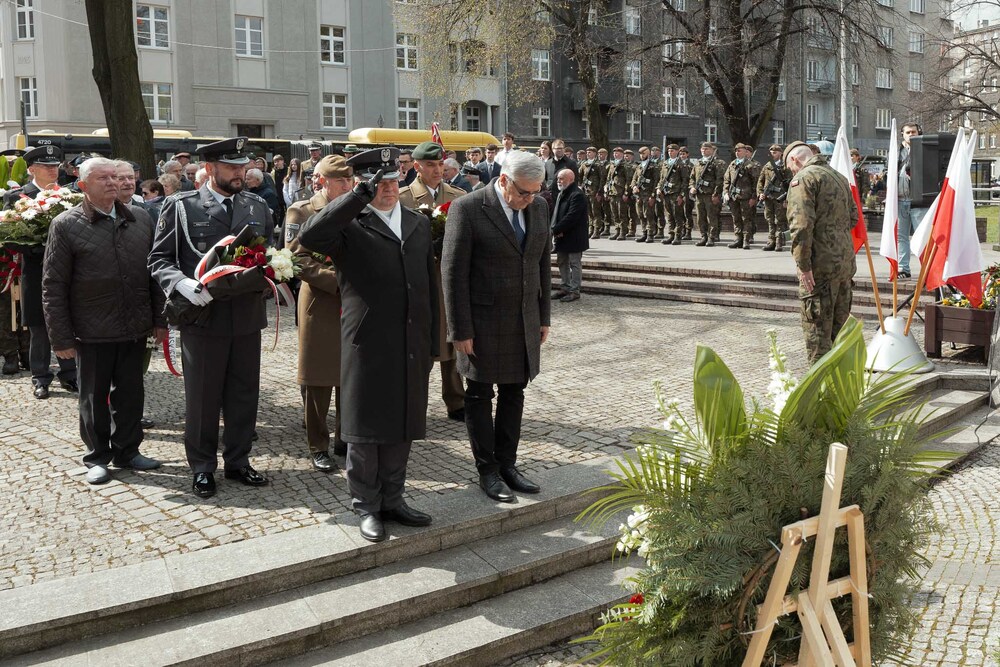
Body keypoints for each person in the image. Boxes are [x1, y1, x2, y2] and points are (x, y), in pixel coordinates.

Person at [298, 147, 438, 543]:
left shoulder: (417, 223)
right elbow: (310, 236)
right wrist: (357, 197)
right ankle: (366, 506)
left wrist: (432, 340)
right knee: (364, 430)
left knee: (402, 426)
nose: (389, 189)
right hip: (366, 341)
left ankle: (393, 499)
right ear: (363, 185)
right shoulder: (348, 225)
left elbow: (428, 284)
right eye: (380, 183)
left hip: (411, 338)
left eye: (393, 180)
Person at [148, 137, 274, 499]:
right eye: (232, 166)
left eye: (243, 166)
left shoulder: (256, 205)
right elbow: (159, 260)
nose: (241, 172)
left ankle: (238, 460)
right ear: (210, 168)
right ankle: (202, 466)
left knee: (244, 393)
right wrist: (181, 283)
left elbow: (263, 254)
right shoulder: (182, 206)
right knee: (203, 397)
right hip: (203, 317)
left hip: (246, 316)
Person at [42, 157, 167, 485]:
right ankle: (97, 457)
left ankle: (129, 450)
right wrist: (61, 338)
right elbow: (53, 286)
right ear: (83, 186)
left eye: (115, 176)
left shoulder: (141, 218)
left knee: (131, 393)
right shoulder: (66, 225)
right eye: (103, 178)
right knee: (94, 397)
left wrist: (160, 319)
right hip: (92, 329)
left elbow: (155, 274)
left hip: (134, 326)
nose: (113, 182)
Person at [441, 151, 552, 503]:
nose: (529, 199)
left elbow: (542, 264)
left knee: (514, 393)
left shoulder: (538, 208)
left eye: (535, 192)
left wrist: (544, 315)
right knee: (478, 395)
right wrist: (460, 329)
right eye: (524, 192)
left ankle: (508, 464)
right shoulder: (468, 209)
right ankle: (486, 471)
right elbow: (453, 273)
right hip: (481, 322)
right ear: (503, 180)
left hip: (524, 319)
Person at [284, 155, 354, 472]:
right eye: (341, 181)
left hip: (353, 303)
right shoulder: (302, 211)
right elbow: (293, 261)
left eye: (350, 180)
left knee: (349, 375)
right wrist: (338, 280)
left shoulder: (356, 209)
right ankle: (318, 445)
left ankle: (346, 438)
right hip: (320, 303)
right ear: (323, 181)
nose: (348, 186)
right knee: (318, 378)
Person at [398, 141, 468, 422]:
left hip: (450, 280)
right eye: (430, 165)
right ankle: (415, 402)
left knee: (452, 339)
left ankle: (456, 400)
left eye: (441, 164)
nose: (438, 170)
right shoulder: (403, 198)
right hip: (418, 281)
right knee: (420, 342)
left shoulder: (459, 195)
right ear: (417, 166)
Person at [3, 145, 78, 399]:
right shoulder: (18, 198)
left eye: (55, 166)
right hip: (35, 270)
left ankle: (70, 373)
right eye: (46, 167)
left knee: (67, 319)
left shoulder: (70, 195)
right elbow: (8, 239)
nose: (52, 171)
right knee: (38, 324)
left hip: (69, 270)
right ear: (32, 169)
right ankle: (40, 376)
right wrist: (38, 247)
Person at [784, 141, 857, 363]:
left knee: (818, 339)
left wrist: (804, 266)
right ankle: (842, 389)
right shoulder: (839, 177)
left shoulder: (804, 179)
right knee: (840, 334)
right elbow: (853, 218)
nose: (792, 172)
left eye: (790, 168)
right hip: (843, 266)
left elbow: (801, 226)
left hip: (820, 269)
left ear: (794, 160)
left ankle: (820, 391)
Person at [551, 169, 589, 302]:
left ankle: (574, 290)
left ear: (570, 179)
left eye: (561, 178)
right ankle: (565, 287)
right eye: (557, 179)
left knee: (574, 263)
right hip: (562, 235)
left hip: (574, 236)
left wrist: (556, 229)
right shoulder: (563, 192)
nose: (558, 181)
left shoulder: (577, 194)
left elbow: (572, 217)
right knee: (562, 261)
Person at [896, 123, 926, 280]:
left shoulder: (924, 149)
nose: (911, 134)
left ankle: (926, 269)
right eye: (908, 132)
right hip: (900, 200)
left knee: (922, 235)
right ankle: (903, 268)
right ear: (902, 134)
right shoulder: (896, 151)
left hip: (917, 201)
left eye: (914, 131)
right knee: (901, 236)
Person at [723, 143, 761, 249]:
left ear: (745, 152)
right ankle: (738, 239)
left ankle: (746, 240)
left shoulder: (751, 165)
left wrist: (754, 197)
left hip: (746, 196)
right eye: (736, 150)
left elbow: (756, 182)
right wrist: (726, 192)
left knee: (746, 219)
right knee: (736, 218)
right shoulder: (732, 164)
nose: (737, 152)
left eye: (739, 150)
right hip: (734, 196)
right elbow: (727, 179)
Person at [688, 142, 726, 247]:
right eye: (703, 149)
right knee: (701, 217)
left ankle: (711, 237)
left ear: (712, 150)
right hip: (699, 194)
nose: (704, 151)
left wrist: (716, 194)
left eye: (707, 149)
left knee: (712, 217)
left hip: (710, 194)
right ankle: (703, 236)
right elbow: (692, 177)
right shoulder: (698, 163)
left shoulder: (718, 163)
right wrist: (692, 187)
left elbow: (720, 180)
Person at [757, 144, 791, 251]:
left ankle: (779, 242)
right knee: (770, 220)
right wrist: (760, 193)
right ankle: (771, 241)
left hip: (779, 198)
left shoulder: (785, 166)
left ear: (781, 153)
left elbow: (790, 182)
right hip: (768, 198)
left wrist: (787, 198)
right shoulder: (767, 166)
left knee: (780, 221)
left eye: (775, 152)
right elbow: (760, 181)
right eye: (771, 152)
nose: (773, 154)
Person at [658, 143, 690, 245]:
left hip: (676, 193)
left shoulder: (681, 164)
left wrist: (681, 195)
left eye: (672, 151)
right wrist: (659, 188)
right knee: (669, 215)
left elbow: (685, 181)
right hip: (666, 193)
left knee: (678, 216)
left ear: (677, 152)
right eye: (669, 151)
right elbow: (662, 178)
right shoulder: (665, 163)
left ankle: (678, 236)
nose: (670, 152)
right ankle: (671, 235)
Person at [631, 146, 659, 243]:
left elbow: (656, 181)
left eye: (644, 153)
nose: (642, 155)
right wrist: (634, 186)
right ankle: (644, 233)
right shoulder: (639, 166)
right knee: (641, 214)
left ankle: (650, 234)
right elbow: (634, 179)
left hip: (648, 193)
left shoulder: (653, 166)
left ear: (648, 154)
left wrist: (653, 195)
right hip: (639, 194)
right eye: (641, 154)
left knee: (649, 214)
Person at [578, 146, 605, 239]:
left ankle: (596, 230)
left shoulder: (598, 164)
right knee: (589, 212)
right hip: (586, 191)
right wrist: (580, 186)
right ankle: (590, 229)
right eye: (587, 152)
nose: (588, 153)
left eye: (590, 152)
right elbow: (579, 176)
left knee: (596, 211)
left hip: (595, 191)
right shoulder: (584, 164)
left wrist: (600, 192)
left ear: (595, 153)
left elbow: (602, 179)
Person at [604, 146, 630, 240]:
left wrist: (626, 193)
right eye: (614, 153)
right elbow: (608, 178)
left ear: (622, 154)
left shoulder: (625, 165)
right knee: (614, 214)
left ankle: (623, 232)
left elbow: (628, 180)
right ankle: (617, 230)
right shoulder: (612, 165)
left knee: (621, 213)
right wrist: (606, 191)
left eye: (618, 153)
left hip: (620, 192)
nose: (616, 154)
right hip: (612, 192)